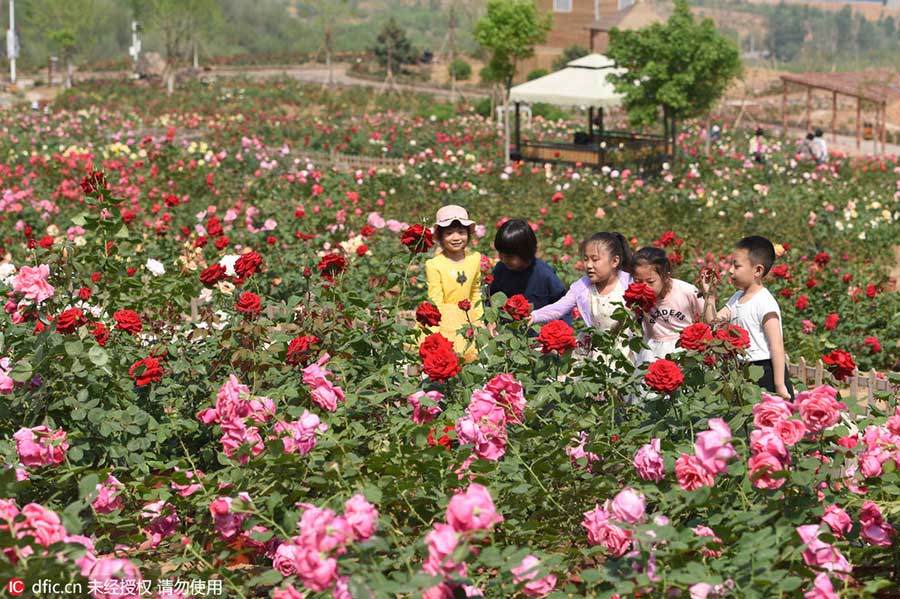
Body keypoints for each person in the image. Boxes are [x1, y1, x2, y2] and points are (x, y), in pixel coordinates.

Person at [701, 236, 794, 400]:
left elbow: (776, 346)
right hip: (743, 369)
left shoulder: (765, 303)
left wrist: (780, 385)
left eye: (736, 266)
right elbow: (713, 322)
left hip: (765, 370)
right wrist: (710, 295)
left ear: (758, 270)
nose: (730, 270)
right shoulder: (737, 297)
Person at [529, 232, 633, 357]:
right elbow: (559, 307)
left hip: (625, 347)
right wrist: (534, 316)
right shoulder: (582, 287)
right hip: (596, 350)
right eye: (585, 259)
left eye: (595, 260)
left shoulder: (629, 282)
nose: (589, 265)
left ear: (615, 261)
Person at [425, 205, 484, 358]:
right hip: (446, 320)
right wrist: (434, 330)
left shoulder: (475, 258)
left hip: (469, 316)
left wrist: (480, 317)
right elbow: (435, 298)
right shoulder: (435, 264)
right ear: (440, 236)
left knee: (474, 357)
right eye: (449, 233)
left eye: (462, 232)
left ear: (468, 234)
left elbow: (475, 292)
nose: (456, 238)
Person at [631, 247, 705, 366]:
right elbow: (626, 323)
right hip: (651, 349)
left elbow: (707, 320)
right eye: (638, 281)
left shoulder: (687, 291)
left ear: (665, 276)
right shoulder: (636, 297)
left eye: (650, 282)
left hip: (682, 349)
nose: (644, 287)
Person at [489, 219, 569, 323]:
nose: (503, 260)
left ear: (525, 252)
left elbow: (563, 306)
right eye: (501, 254)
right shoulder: (500, 270)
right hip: (506, 333)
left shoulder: (544, 275)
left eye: (509, 256)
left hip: (538, 333)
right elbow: (491, 300)